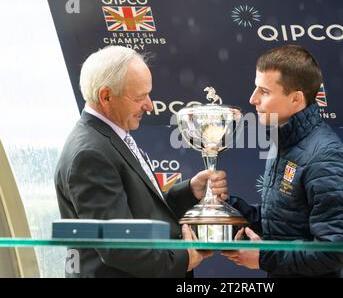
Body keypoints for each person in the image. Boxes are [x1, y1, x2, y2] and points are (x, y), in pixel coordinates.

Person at [54, 46, 228, 278]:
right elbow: (118, 246)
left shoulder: (107, 137)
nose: (149, 105)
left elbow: (137, 213)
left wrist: (188, 191)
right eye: (139, 97)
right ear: (106, 96)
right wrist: (184, 259)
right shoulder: (90, 154)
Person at [222, 45, 343, 278]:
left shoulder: (326, 157)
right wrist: (226, 207)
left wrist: (263, 257)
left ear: (296, 98)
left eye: (264, 91)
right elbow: (283, 223)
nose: (252, 99)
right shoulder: (286, 144)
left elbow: (337, 250)